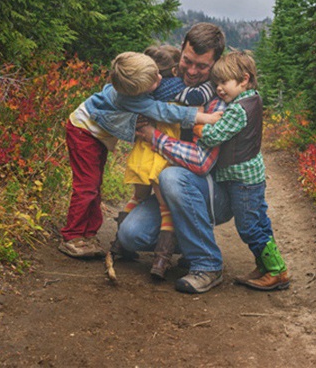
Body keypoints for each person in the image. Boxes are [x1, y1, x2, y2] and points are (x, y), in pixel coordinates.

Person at [59, 51, 213, 259]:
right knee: (87, 187)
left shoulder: (129, 85)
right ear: (137, 92)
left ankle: (88, 233)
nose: (159, 79)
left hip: (92, 135)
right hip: (83, 133)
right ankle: (72, 236)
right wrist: (203, 117)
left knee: (94, 185)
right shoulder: (131, 99)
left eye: (157, 74)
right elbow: (164, 111)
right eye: (153, 80)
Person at [117, 23, 235, 294]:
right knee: (131, 234)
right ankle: (189, 238)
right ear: (181, 49)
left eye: (202, 67)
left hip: (213, 194)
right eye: (187, 61)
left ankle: (207, 263)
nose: (192, 72)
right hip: (169, 191)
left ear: (215, 63)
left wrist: (153, 136)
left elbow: (201, 163)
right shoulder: (166, 84)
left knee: (172, 176)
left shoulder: (218, 97)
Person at [197, 50, 290, 291]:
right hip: (251, 176)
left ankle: (276, 271)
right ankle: (268, 265)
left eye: (224, 82)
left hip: (242, 180)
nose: (219, 89)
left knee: (248, 225)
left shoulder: (238, 109)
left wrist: (198, 127)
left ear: (244, 79)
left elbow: (213, 136)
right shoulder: (253, 99)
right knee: (259, 221)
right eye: (216, 83)